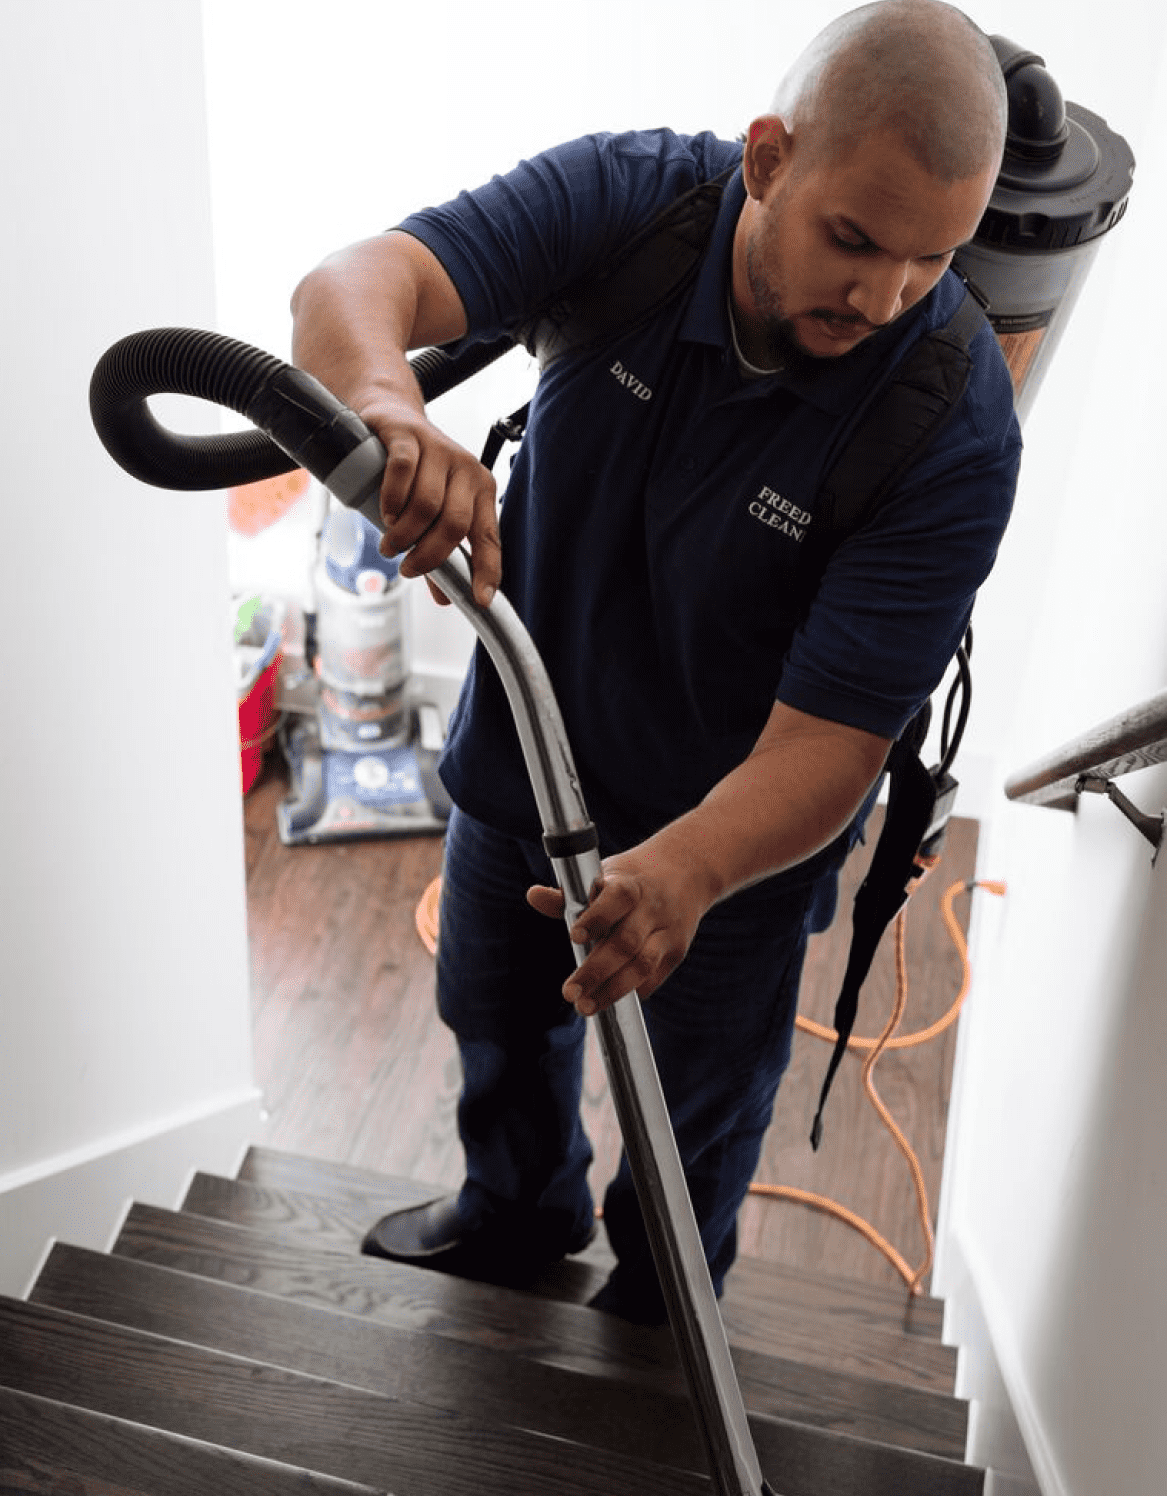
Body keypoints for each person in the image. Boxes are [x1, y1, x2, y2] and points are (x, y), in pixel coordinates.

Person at [288, 0, 1019, 1323]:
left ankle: (661, 1299)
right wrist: (395, 416)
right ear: (769, 159)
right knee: (493, 1018)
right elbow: (351, 286)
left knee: (697, 1104)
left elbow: (832, 745)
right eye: (853, 240)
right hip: (529, 757)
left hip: (728, 848)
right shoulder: (630, 206)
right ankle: (519, 1214)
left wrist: (682, 873)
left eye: (931, 260)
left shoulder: (951, 425)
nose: (882, 296)